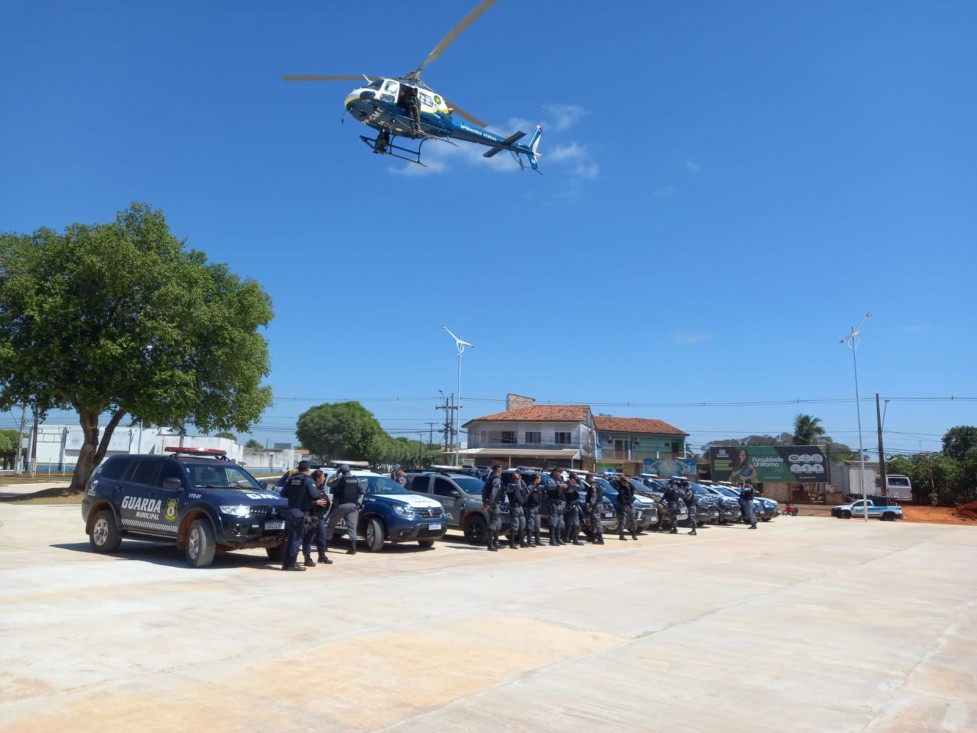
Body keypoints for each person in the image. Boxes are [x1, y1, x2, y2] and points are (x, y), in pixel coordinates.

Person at [280, 460, 328, 571]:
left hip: (291, 511)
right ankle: (292, 564)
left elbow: (283, 493)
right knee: (297, 539)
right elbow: (315, 494)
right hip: (301, 513)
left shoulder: (292, 479)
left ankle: (286, 564)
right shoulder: (308, 480)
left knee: (291, 538)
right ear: (308, 469)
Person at [325, 464, 366, 555]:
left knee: (331, 524)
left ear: (341, 471)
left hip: (341, 505)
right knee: (351, 526)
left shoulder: (340, 479)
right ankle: (353, 548)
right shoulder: (356, 479)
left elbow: (329, 483)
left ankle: (325, 546)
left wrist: (336, 473)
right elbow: (362, 491)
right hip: (352, 505)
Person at [310, 470, 333, 563]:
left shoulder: (321, 488)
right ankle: (307, 558)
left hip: (320, 517)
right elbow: (304, 502)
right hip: (311, 516)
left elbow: (324, 498)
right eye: (323, 477)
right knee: (308, 538)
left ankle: (322, 556)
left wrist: (328, 502)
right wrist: (316, 502)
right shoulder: (311, 488)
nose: (324, 478)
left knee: (322, 536)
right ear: (317, 478)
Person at [481, 465, 505, 551]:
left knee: (497, 523)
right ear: (498, 470)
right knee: (493, 523)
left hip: (493, 504)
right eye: (501, 469)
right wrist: (489, 503)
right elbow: (494, 492)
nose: (502, 471)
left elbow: (483, 491)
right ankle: (490, 545)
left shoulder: (490, 479)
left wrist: (485, 501)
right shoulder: (497, 479)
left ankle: (496, 542)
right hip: (494, 504)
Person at [505, 472, 527, 549]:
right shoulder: (510, 485)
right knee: (515, 525)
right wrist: (518, 479)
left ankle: (522, 542)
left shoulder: (518, 483)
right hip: (514, 507)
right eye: (515, 477)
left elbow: (524, 487)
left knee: (522, 524)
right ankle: (512, 543)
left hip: (520, 506)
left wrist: (520, 479)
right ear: (512, 478)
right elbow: (517, 487)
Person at [545, 469, 567, 546]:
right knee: (553, 522)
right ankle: (552, 539)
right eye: (558, 472)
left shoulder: (560, 480)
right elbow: (548, 487)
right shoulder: (550, 480)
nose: (559, 473)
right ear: (554, 472)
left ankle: (558, 538)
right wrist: (558, 485)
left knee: (560, 522)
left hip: (560, 504)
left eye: (560, 472)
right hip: (553, 503)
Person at [615, 474, 638, 541]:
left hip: (630, 505)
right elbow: (612, 482)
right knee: (623, 521)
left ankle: (634, 534)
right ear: (621, 481)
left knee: (633, 520)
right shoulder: (620, 487)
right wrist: (619, 478)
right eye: (624, 481)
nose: (626, 482)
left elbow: (635, 487)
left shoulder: (629, 486)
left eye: (627, 481)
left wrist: (628, 481)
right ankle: (621, 535)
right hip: (623, 505)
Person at [584, 473, 604, 545]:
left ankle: (600, 539)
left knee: (596, 521)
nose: (587, 481)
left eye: (587, 480)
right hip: (598, 505)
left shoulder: (593, 485)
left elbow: (594, 496)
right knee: (593, 521)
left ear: (589, 478)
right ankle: (593, 537)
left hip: (595, 506)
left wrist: (590, 505)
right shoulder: (598, 485)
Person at [563, 473, 583, 545]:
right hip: (568, 505)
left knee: (576, 523)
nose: (575, 480)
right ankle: (567, 538)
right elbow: (568, 491)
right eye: (575, 478)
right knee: (570, 523)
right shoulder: (566, 484)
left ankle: (575, 539)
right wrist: (571, 485)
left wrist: (579, 479)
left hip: (575, 505)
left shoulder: (575, 483)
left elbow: (582, 487)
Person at [524, 473, 543, 547]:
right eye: (539, 478)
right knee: (530, 524)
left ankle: (537, 541)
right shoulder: (530, 486)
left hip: (537, 508)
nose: (540, 480)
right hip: (531, 508)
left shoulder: (538, 487)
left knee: (537, 525)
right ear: (535, 479)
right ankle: (529, 541)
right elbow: (526, 496)